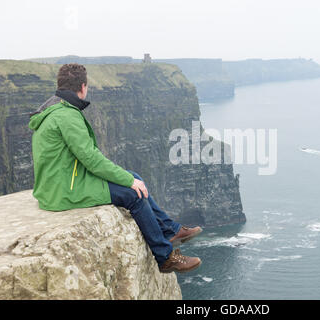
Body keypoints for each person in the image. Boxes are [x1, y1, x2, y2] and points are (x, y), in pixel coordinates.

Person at [28, 63, 202, 273]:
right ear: (83, 87)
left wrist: (129, 177)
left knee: (134, 176)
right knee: (133, 193)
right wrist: (128, 182)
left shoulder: (56, 109)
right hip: (65, 190)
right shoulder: (67, 116)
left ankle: (170, 230)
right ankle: (165, 257)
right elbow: (91, 159)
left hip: (60, 182)